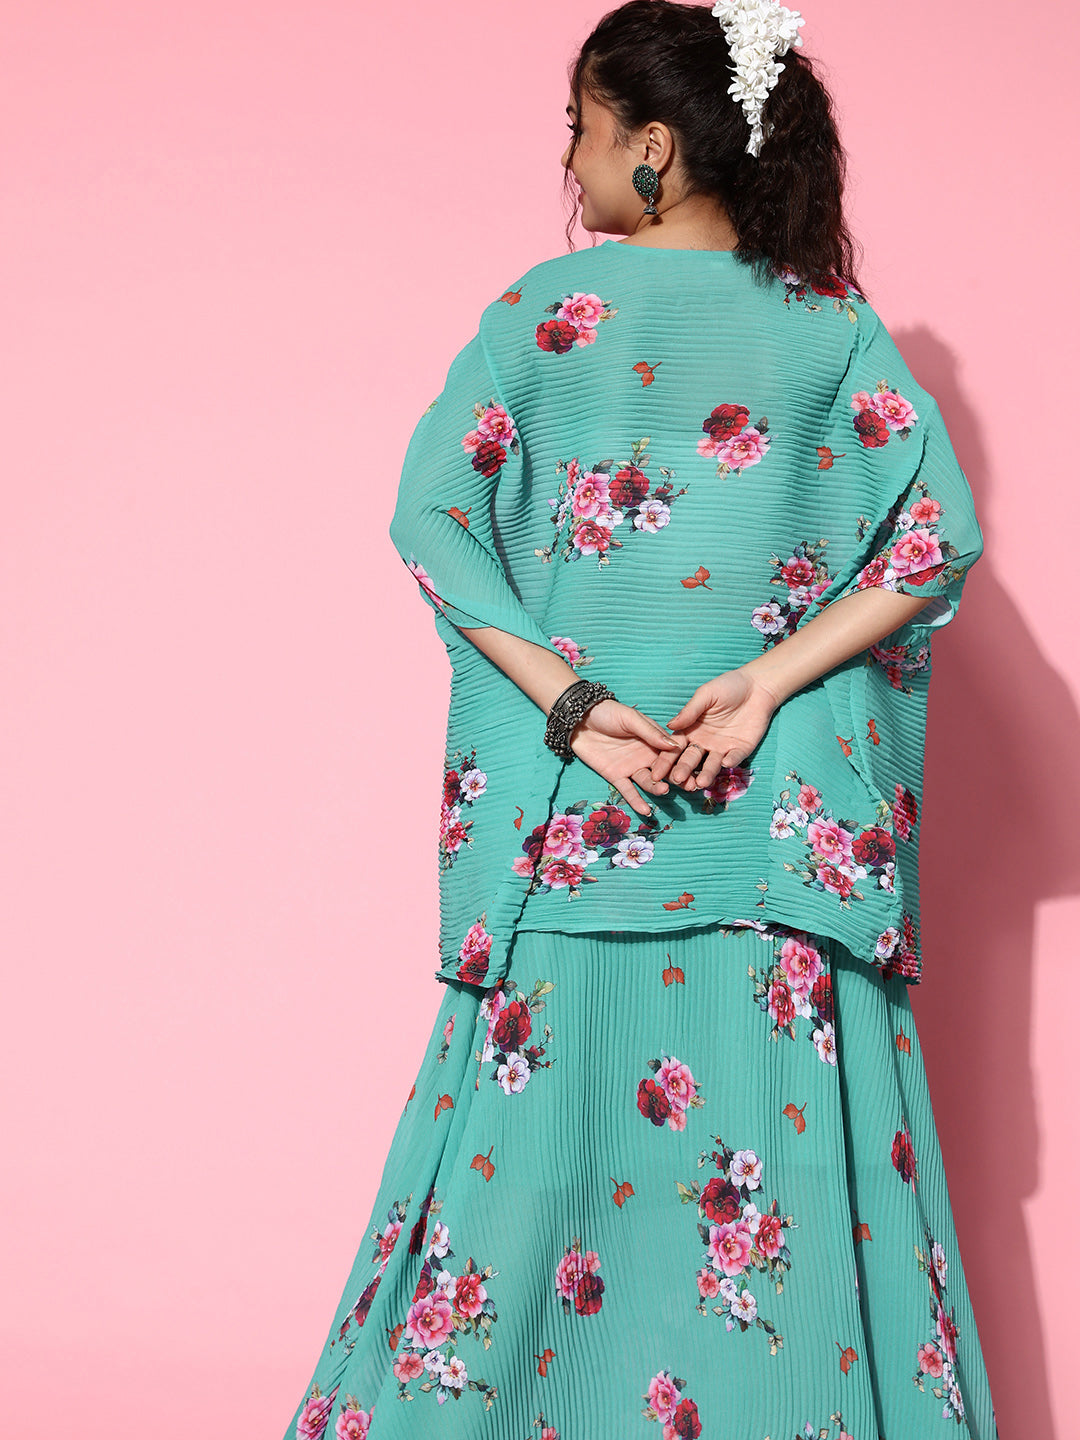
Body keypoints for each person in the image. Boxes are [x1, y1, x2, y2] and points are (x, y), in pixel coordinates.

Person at [285, 3, 1000, 1437]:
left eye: (583, 127)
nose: (569, 156)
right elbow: (937, 542)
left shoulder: (545, 318)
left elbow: (432, 522)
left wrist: (576, 708)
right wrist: (770, 681)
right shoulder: (828, 329)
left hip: (580, 834)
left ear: (654, 146)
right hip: (780, 860)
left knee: (518, 1221)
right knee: (788, 1224)